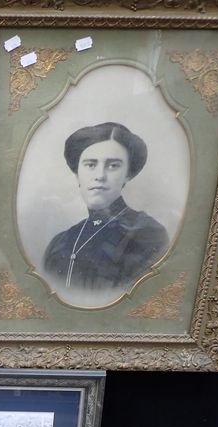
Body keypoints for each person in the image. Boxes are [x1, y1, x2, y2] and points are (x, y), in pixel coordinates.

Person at [42, 122, 169, 298]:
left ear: (127, 175)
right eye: (90, 164)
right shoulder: (59, 242)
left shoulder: (147, 234)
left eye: (113, 165)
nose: (100, 175)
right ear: (77, 174)